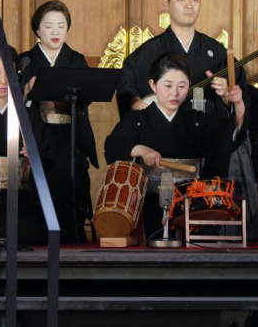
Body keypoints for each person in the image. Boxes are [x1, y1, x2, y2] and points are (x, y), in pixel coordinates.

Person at [115, 0, 258, 239]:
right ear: (166, 4)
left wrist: (227, 96)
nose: (189, 5)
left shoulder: (216, 51)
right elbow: (128, 95)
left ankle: (218, 231)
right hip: (164, 146)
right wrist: (137, 103)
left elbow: (239, 95)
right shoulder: (148, 53)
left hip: (205, 140)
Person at [104, 52, 245, 238]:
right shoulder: (138, 119)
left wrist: (237, 103)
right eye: (168, 85)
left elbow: (229, 133)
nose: (175, 93)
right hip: (149, 201)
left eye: (182, 85)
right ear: (153, 85)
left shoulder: (197, 120)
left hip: (191, 203)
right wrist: (140, 149)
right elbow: (113, 145)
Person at [19, 0, 96, 243]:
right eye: (49, 26)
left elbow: (87, 98)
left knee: (72, 194)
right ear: (37, 30)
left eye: (61, 26)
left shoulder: (76, 60)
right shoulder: (26, 61)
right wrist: (26, 90)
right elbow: (14, 101)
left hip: (70, 137)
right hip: (38, 136)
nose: (55, 32)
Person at [0, 43, 48, 245]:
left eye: (8, 73)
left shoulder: (29, 116)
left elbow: (47, 156)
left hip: (20, 199)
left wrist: (33, 156)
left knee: (34, 232)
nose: (3, 81)